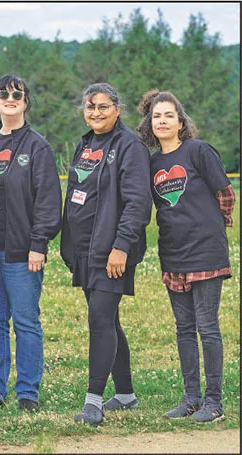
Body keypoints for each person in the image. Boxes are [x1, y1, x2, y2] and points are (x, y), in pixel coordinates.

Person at [137, 90, 235, 423]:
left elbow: (225, 193)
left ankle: (214, 403)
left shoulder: (198, 151)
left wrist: (212, 228)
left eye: (169, 115)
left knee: (208, 327)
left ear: (181, 121)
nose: (162, 121)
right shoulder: (151, 163)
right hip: (173, 253)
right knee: (184, 329)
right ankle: (191, 399)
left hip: (206, 252)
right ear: (150, 124)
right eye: (156, 116)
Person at [60, 83, 152, 427]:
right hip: (86, 250)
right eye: (90, 107)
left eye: (102, 106)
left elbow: (138, 203)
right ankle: (125, 395)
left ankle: (93, 402)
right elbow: (76, 194)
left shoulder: (129, 145)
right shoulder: (86, 144)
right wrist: (69, 245)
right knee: (108, 320)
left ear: (117, 108)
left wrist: (121, 247)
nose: (95, 113)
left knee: (99, 319)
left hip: (112, 252)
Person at [0, 74, 62, 412]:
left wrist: (39, 244)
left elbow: (48, 200)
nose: (9, 99)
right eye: (3, 94)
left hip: (21, 251)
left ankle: (27, 392)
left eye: (16, 94)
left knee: (25, 321)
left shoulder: (37, 146)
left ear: (26, 101)